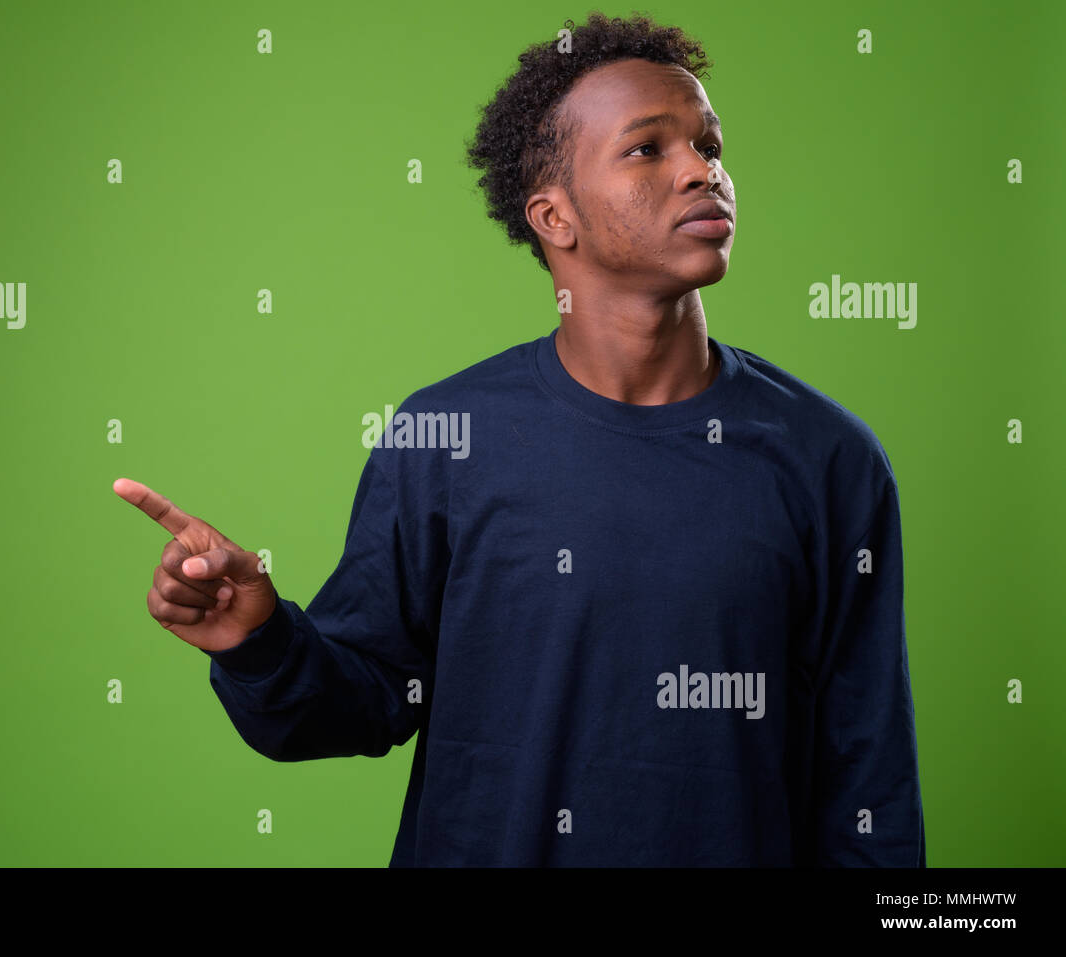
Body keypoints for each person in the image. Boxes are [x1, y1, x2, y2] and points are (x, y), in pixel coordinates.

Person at [113, 10, 925, 867]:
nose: (700, 170)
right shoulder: (444, 439)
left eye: (710, 146)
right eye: (649, 149)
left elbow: (868, 777)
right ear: (554, 215)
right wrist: (260, 636)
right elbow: (360, 702)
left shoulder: (828, 456)